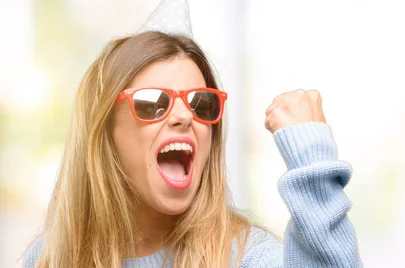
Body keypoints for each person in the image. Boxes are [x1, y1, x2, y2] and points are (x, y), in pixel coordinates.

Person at [23, 1, 360, 267]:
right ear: (105, 131)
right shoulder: (50, 258)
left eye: (201, 103)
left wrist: (314, 173)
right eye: (154, 102)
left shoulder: (247, 258)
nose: (185, 115)